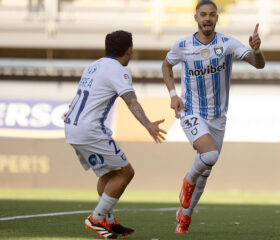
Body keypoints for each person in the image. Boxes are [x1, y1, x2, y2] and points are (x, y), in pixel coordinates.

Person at [161, 0, 266, 234]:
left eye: (212, 15)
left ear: (217, 18)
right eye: (203, 14)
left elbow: (258, 64)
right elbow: (166, 66)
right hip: (191, 111)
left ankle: (185, 215)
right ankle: (188, 180)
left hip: (218, 117)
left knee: (206, 170)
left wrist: (257, 50)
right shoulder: (182, 45)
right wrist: (172, 95)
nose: (207, 18)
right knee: (209, 155)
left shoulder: (227, 44)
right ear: (196, 17)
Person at [64, 30, 166, 239]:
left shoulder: (93, 66)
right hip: (89, 128)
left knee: (108, 174)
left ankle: (107, 221)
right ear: (129, 50)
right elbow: (131, 101)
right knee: (126, 172)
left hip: (72, 125)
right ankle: (96, 218)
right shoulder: (118, 70)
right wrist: (148, 124)